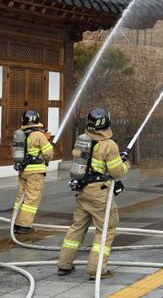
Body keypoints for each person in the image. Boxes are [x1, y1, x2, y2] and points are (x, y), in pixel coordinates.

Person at [57, 107, 130, 280]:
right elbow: (117, 172)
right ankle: (96, 269)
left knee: (77, 227)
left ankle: (64, 264)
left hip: (82, 191)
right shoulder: (109, 145)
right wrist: (125, 164)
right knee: (106, 228)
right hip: (100, 193)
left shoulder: (82, 140)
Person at [12, 109, 53, 234]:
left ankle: (15, 222)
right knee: (31, 199)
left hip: (23, 171)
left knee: (20, 197)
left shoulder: (20, 134)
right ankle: (24, 226)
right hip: (35, 172)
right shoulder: (39, 135)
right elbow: (48, 153)